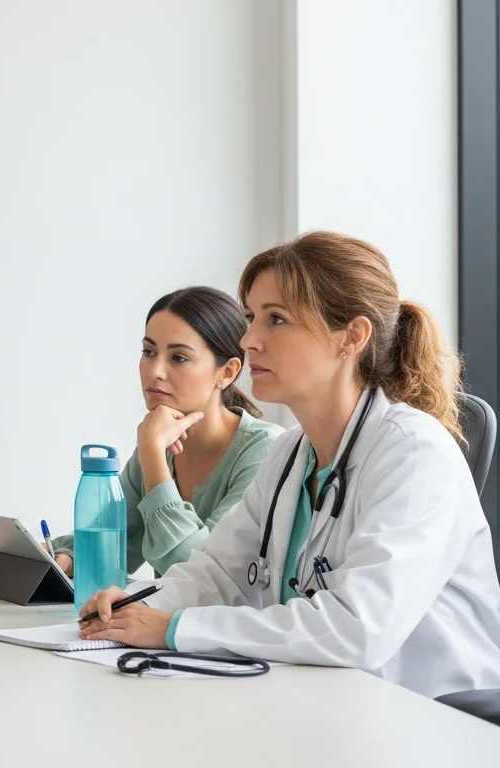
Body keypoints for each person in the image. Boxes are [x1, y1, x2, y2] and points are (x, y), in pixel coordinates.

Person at [78, 231, 500, 698]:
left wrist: (173, 628)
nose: (248, 340)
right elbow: (215, 573)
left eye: (276, 320)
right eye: (250, 318)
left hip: (428, 716)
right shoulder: (290, 455)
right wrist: (137, 605)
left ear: (352, 337)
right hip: (326, 699)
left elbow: (357, 630)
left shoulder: (415, 454)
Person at [50, 287, 283, 576]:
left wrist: (152, 457)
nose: (155, 371)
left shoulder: (268, 451)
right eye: (148, 352)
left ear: (227, 373)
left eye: (179, 358)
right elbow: (116, 544)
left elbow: (200, 574)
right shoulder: (157, 444)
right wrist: (66, 556)